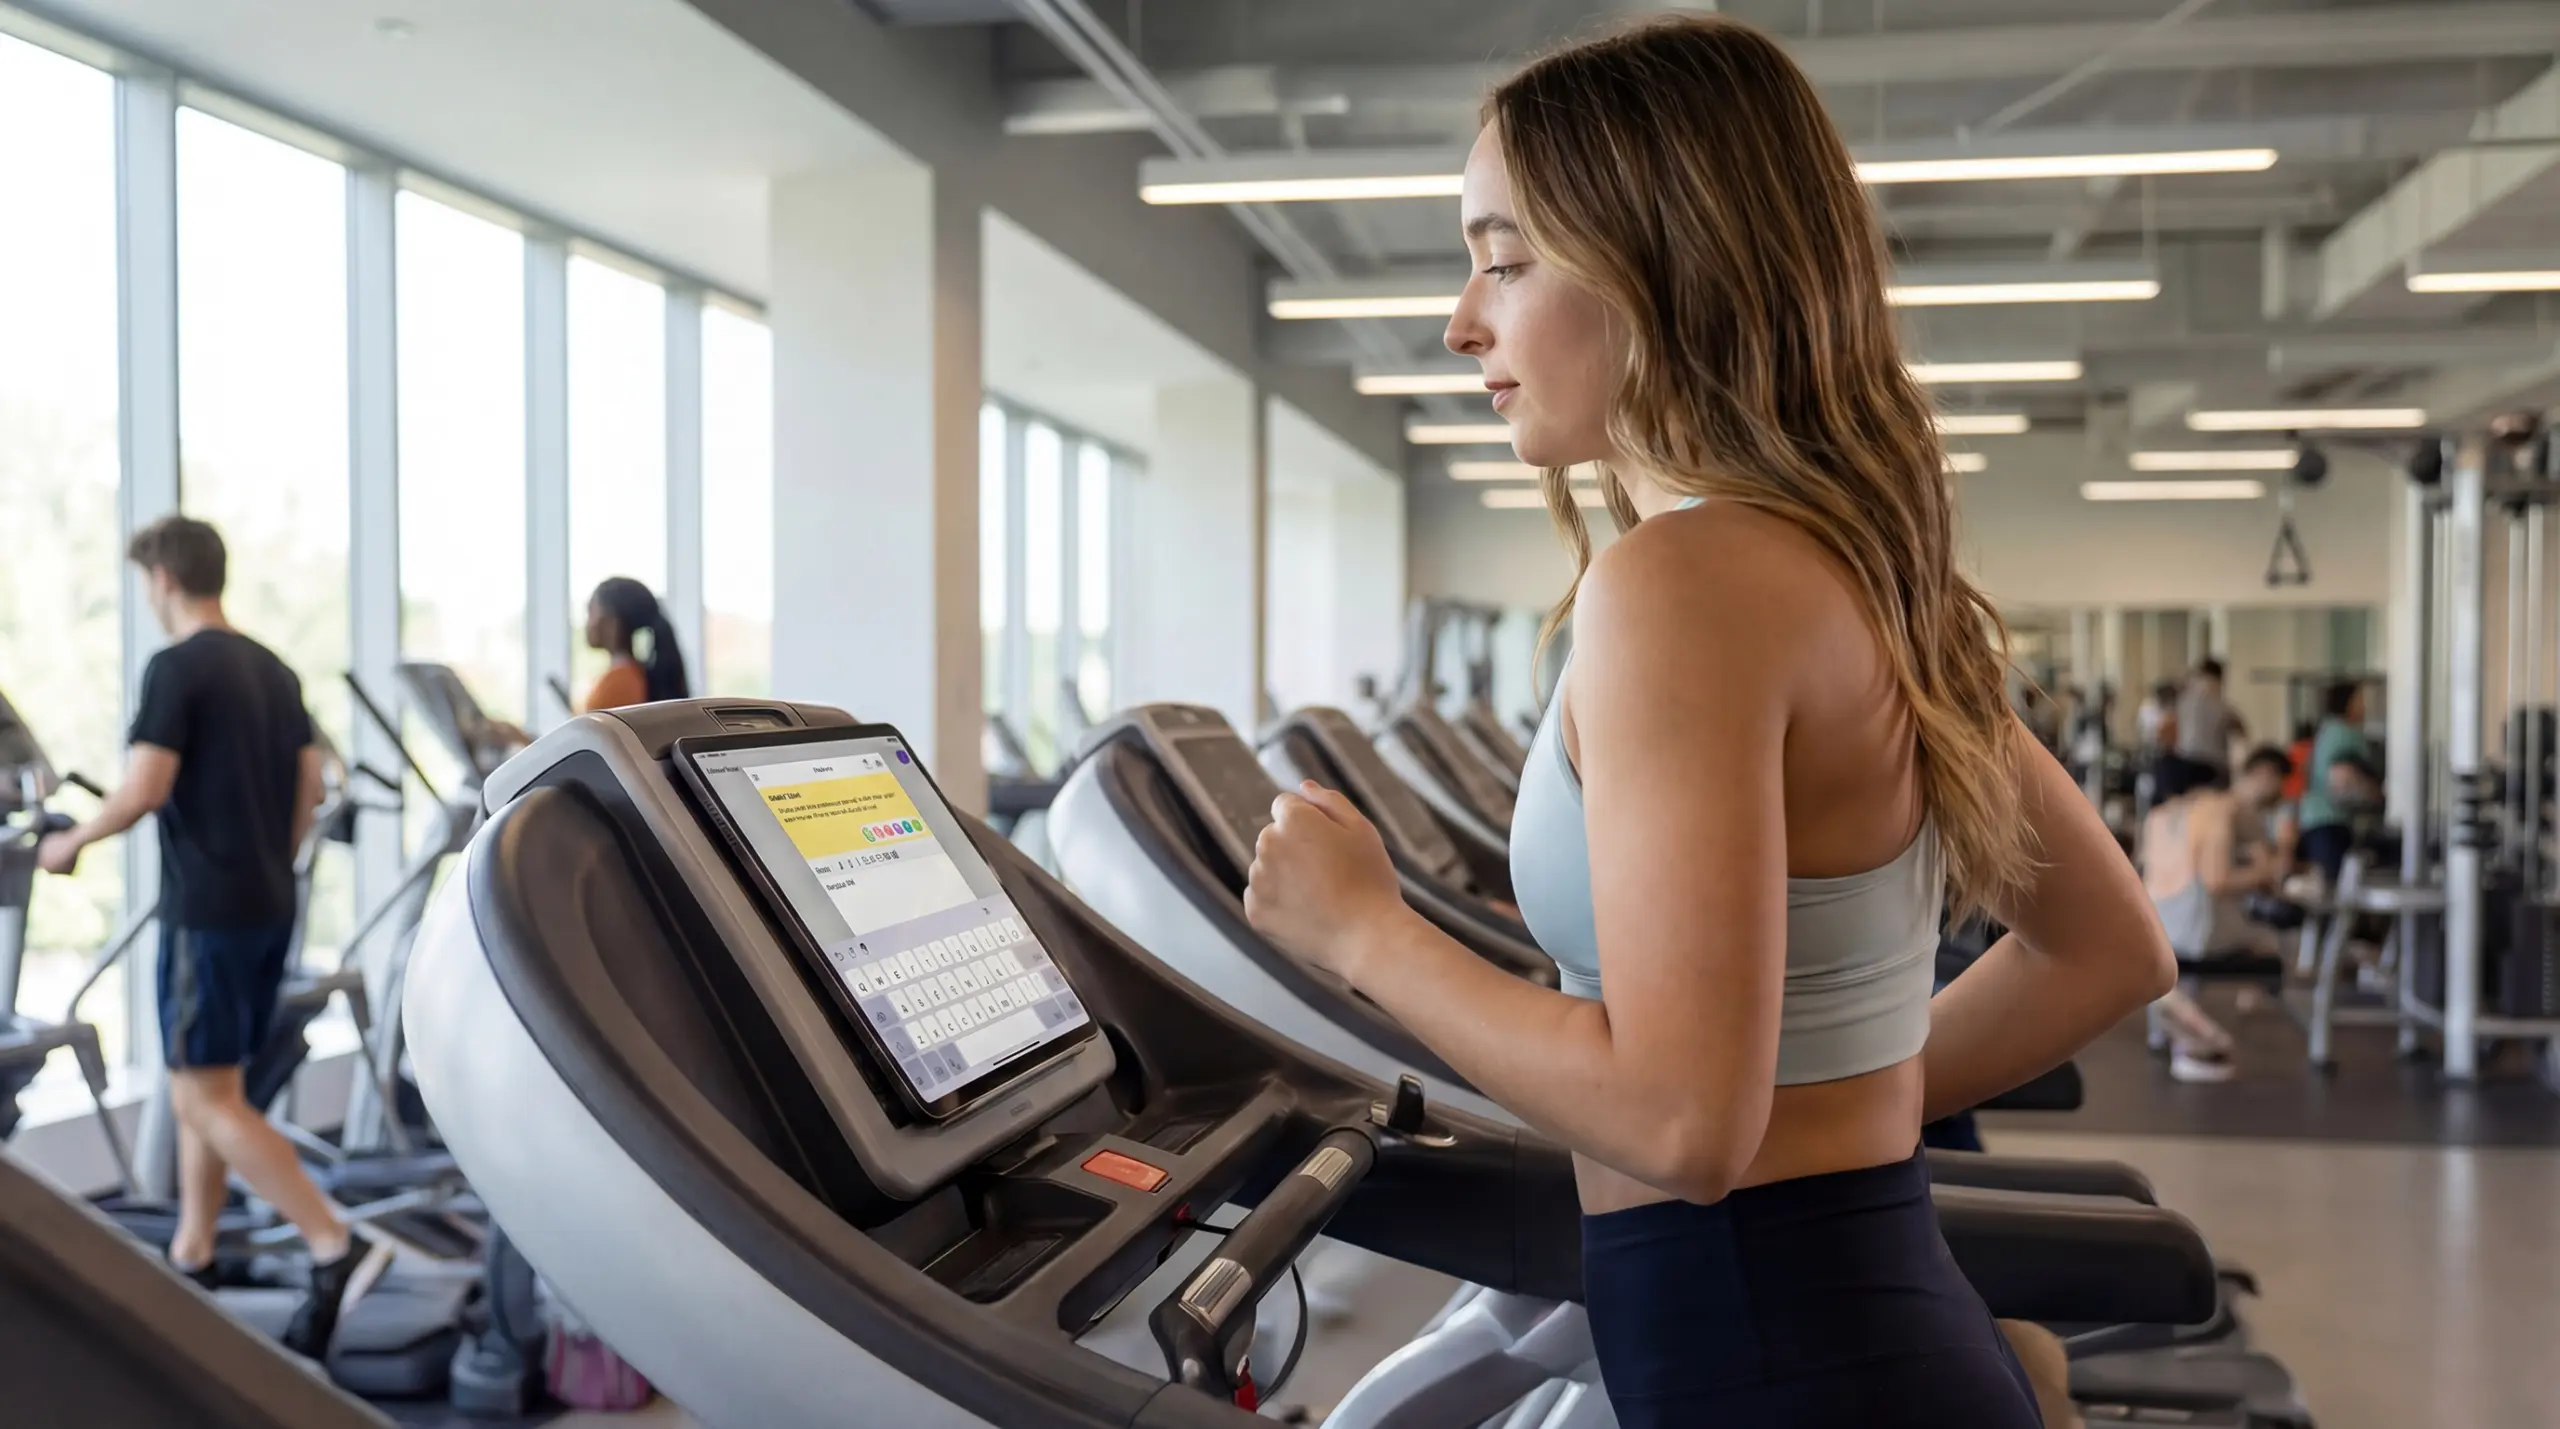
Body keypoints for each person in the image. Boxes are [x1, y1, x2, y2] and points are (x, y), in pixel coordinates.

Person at [1238, 18, 2173, 1427]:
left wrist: (1362, 928)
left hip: (1775, 1362)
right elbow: (2110, 948)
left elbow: (1683, 1126)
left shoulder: (1680, 587)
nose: (1461, 320)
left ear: (1660, 264)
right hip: (1851, 1322)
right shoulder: (1852, 565)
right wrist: (1845, 1100)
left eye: (1504, 259)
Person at [35, 516, 368, 1359]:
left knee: (201, 1095)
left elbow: (146, 785)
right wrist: (274, 858)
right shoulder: (272, 667)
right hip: (267, 900)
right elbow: (311, 781)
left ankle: (336, 1243)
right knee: (210, 1082)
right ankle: (196, 1250)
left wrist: (71, 842)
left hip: (210, 909)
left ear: (162, 581)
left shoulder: (174, 668)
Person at [2138, 746, 2295, 1084]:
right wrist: (2269, 871)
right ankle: (2232, 1021)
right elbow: (2218, 880)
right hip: (2198, 933)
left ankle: (2198, 1026)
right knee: (2268, 941)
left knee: (2250, 935)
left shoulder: (2157, 817)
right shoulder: (2217, 811)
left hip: (2158, 930)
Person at [2296, 682, 2377, 888]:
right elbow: (2342, 777)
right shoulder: (2344, 733)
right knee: (2332, 888)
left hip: (2312, 819)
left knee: (2325, 885)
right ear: (2348, 703)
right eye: (2360, 701)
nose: (2365, 707)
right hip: (2330, 821)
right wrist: (2376, 797)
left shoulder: (2326, 730)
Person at [580, 576, 690, 712]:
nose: (587, 622)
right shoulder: (636, 676)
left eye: (590, 611)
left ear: (612, 621)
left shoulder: (618, 683)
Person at [2172, 657, 2246, 782]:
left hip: (2184, 759)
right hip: (2212, 764)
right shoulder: (2221, 705)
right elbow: (2240, 732)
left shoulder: (2183, 700)